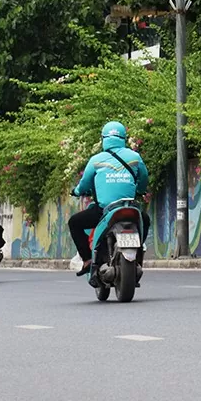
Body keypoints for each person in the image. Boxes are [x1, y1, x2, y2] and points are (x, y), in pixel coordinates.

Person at [68, 121, 151, 282]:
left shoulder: (96, 160)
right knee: (145, 220)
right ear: (123, 138)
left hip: (104, 211)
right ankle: (139, 253)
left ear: (103, 138)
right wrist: (140, 190)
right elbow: (143, 180)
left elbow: (84, 184)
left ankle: (87, 260)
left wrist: (77, 191)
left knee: (74, 223)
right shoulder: (134, 157)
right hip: (129, 207)